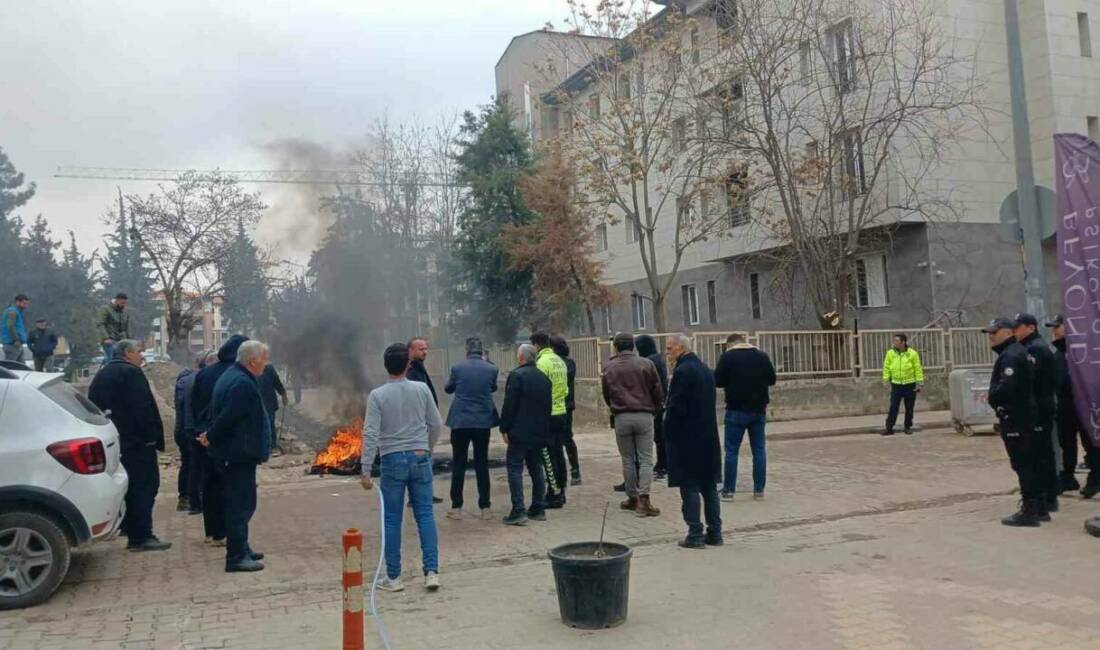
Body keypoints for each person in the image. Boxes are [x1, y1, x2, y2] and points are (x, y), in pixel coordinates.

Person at [360, 343, 442, 592]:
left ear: (385, 366)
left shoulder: (377, 395)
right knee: (425, 515)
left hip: (392, 461)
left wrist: (365, 469)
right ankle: (431, 572)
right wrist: (426, 447)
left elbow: (371, 433)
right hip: (420, 458)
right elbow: (436, 423)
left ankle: (394, 578)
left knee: (392, 519)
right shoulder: (422, 389)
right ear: (408, 364)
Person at [88, 339, 171, 551]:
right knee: (145, 487)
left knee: (128, 487)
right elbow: (142, 408)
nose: (141, 355)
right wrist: (151, 437)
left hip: (114, 442)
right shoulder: (131, 374)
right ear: (126, 353)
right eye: (138, 351)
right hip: (138, 442)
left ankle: (127, 526)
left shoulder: (103, 373)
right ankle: (141, 536)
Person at [201, 340, 272, 573]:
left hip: (235, 453)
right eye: (264, 358)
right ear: (252, 361)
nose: (266, 363)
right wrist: (211, 436)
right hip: (237, 454)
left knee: (241, 503)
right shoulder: (241, 383)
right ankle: (236, 556)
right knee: (240, 506)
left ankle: (243, 547)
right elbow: (228, 417)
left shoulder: (234, 375)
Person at [984, 317, 1046, 527]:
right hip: (1025, 415)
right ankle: (1039, 507)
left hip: (1017, 418)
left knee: (1022, 463)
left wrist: (993, 396)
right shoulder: (1018, 352)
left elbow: (1007, 389)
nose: (991, 337)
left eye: (995, 332)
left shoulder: (1011, 355)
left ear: (1008, 333)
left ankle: (1030, 510)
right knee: (1030, 462)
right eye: (989, 333)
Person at [663, 334, 722, 549]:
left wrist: (667, 431)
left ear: (681, 348)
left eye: (670, 349)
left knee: (689, 486)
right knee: (709, 486)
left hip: (687, 438)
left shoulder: (683, 371)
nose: (667, 353)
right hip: (707, 436)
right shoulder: (705, 369)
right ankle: (715, 532)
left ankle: (695, 533)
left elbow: (675, 407)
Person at [192, 334, 250, 546]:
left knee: (210, 485)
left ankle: (212, 532)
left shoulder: (204, 373)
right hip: (226, 439)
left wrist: (200, 431)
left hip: (202, 434)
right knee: (232, 488)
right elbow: (233, 412)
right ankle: (229, 535)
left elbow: (195, 404)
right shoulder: (236, 375)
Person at [601, 332, 665, 517]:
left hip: (621, 416)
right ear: (633, 346)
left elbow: (607, 393)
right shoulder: (646, 364)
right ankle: (644, 500)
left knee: (627, 459)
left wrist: (615, 408)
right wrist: (654, 409)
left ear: (616, 347)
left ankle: (632, 498)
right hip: (644, 415)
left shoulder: (609, 367)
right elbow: (657, 390)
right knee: (645, 459)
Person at [714, 332, 777, 501]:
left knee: (732, 451)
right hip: (758, 410)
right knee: (759, 450)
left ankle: (728, 491)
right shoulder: (762, 356)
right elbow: (772, 379)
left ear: (730, 345)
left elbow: (717, 380)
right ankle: (759, 490)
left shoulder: (728, 357)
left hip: (736, 409)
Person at [443, 337, 498, 520]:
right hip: (482, 421)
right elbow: (493, 388)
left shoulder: (457, 368)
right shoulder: (492, 369)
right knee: (482, 462)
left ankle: (456, 507)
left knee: (459, 462)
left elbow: (448, 389)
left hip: (460, 422)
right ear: (482, 351)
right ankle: (486, 507)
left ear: (466, 351)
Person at [1047, 314, 1100, 497]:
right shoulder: (1057, 353)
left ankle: (1095, 478)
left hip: (1084, 404)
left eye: (1057, 326)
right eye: (1053, 327)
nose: (1054, 330)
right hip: (1064, 406)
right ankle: (1067, 478)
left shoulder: (1084, 350)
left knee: (1090, 443)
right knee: (1066, 443)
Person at [499, 344, 552, 526]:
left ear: (521, 357)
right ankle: (538, 508)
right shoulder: (544, 378)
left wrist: (504, 428)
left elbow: (510, 404)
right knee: (536, 468)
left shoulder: (517, 376)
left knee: (515, 469)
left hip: (519, 432)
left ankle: (518, 510)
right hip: (539, 432)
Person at [1013, 313, 1060, 513]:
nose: (1015, 331)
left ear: (1030, 328)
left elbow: (1031, 381)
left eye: (1018, 327)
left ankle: (1045, 498)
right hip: (1042, 404)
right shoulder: (1034, 346)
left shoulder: (1036, 349)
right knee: (1043, 452)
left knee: (1040, 454)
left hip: (1039, 407)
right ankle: (1047, 496)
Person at [531, 331, 570, 508]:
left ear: (536, 345)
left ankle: (552, 494)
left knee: (547, 455)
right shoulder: (559, 361)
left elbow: (538, 389)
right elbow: (565, 388)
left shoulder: (541, 363)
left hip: (547, 414)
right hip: (561, 412)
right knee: (559, 453)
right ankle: (561, 491)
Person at [406, 336, 443, 504]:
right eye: (421, 349)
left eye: (426, 349)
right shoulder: (411, 371)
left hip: (425, 423)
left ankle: (424, 493)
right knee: (420, 461)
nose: (425, 352)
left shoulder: (419, 368)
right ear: (411, 350)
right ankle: (417, 497)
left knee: (425, 460)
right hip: (419, 425)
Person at [635, 335, 669, 481]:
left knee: (659, 437)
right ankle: (662, 464)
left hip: (655, 404)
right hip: (659, 403)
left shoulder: (651, 361)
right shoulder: (657, 358)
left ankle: (662, 466)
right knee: (659, 437)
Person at [174, 353, 205, 513]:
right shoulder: (193, 380)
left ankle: (185, 499)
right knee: (193, 465)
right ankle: (192, 499)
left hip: (183, 428)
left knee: (188, 464)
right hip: (189, 429)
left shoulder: (183, 379)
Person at [551, 336, 583, 486]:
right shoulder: (567, 363)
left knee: (566, 439)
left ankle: (574, 470)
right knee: (563, 439)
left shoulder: (567, 363)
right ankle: (568, 470)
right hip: (564, 405)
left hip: (565, 405)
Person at [881, 333, 924, 435]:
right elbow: (886, 367)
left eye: (897, 341)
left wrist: (920, 382)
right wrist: (886, 379)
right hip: (896, 384)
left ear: (903, 342)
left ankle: (907, 426)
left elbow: (917, 368)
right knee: (893, 407)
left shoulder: (912, 354)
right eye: (894, 340)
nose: (894, 343)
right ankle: (889, 427)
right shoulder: (890, 353)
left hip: (909, 384)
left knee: (909, 407)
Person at [258, 363, 289, 454]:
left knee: (269, 423)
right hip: (258, 402)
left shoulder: (269, 369)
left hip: (268, 402)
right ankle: (265, 445)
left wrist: (283, 395)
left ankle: (271, 445)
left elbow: (277, 383)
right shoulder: (249, 369)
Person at [97, 293, 131, 362]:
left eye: (125, 303)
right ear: (117, 300)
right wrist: (106, 338)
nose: (123, 305)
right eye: (122, 303)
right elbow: (100, 324)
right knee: (112, 361)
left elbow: (127, 327)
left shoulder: (124, 312)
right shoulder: (106, 309)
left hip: (121, 341)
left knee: (122, 361)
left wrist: (129, 340)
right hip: (110, 341)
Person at [1, 294, 29, 363]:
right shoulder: (13, 312)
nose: (26, 306)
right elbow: (10, 326)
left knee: (21, 368)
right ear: (17, 302)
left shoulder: (17, 312)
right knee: (10, 366)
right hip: (12, 344)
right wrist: (16, 339)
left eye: (27, 304)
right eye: (24, 303)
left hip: (16, 344)